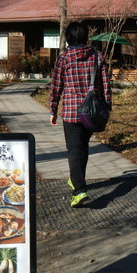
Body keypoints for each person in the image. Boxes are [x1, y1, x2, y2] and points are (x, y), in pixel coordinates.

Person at [49, 21, 112, 207]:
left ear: (68, 39)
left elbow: (56, 87)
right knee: (82, 148)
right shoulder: (97, 56)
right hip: (92, 113)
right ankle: (75, 179)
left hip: (71, 112)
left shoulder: (64, 58)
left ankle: (79, 190)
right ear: (85, 37)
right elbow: (106, 84)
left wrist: (53, 109)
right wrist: (107, 107)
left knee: (75, 150)